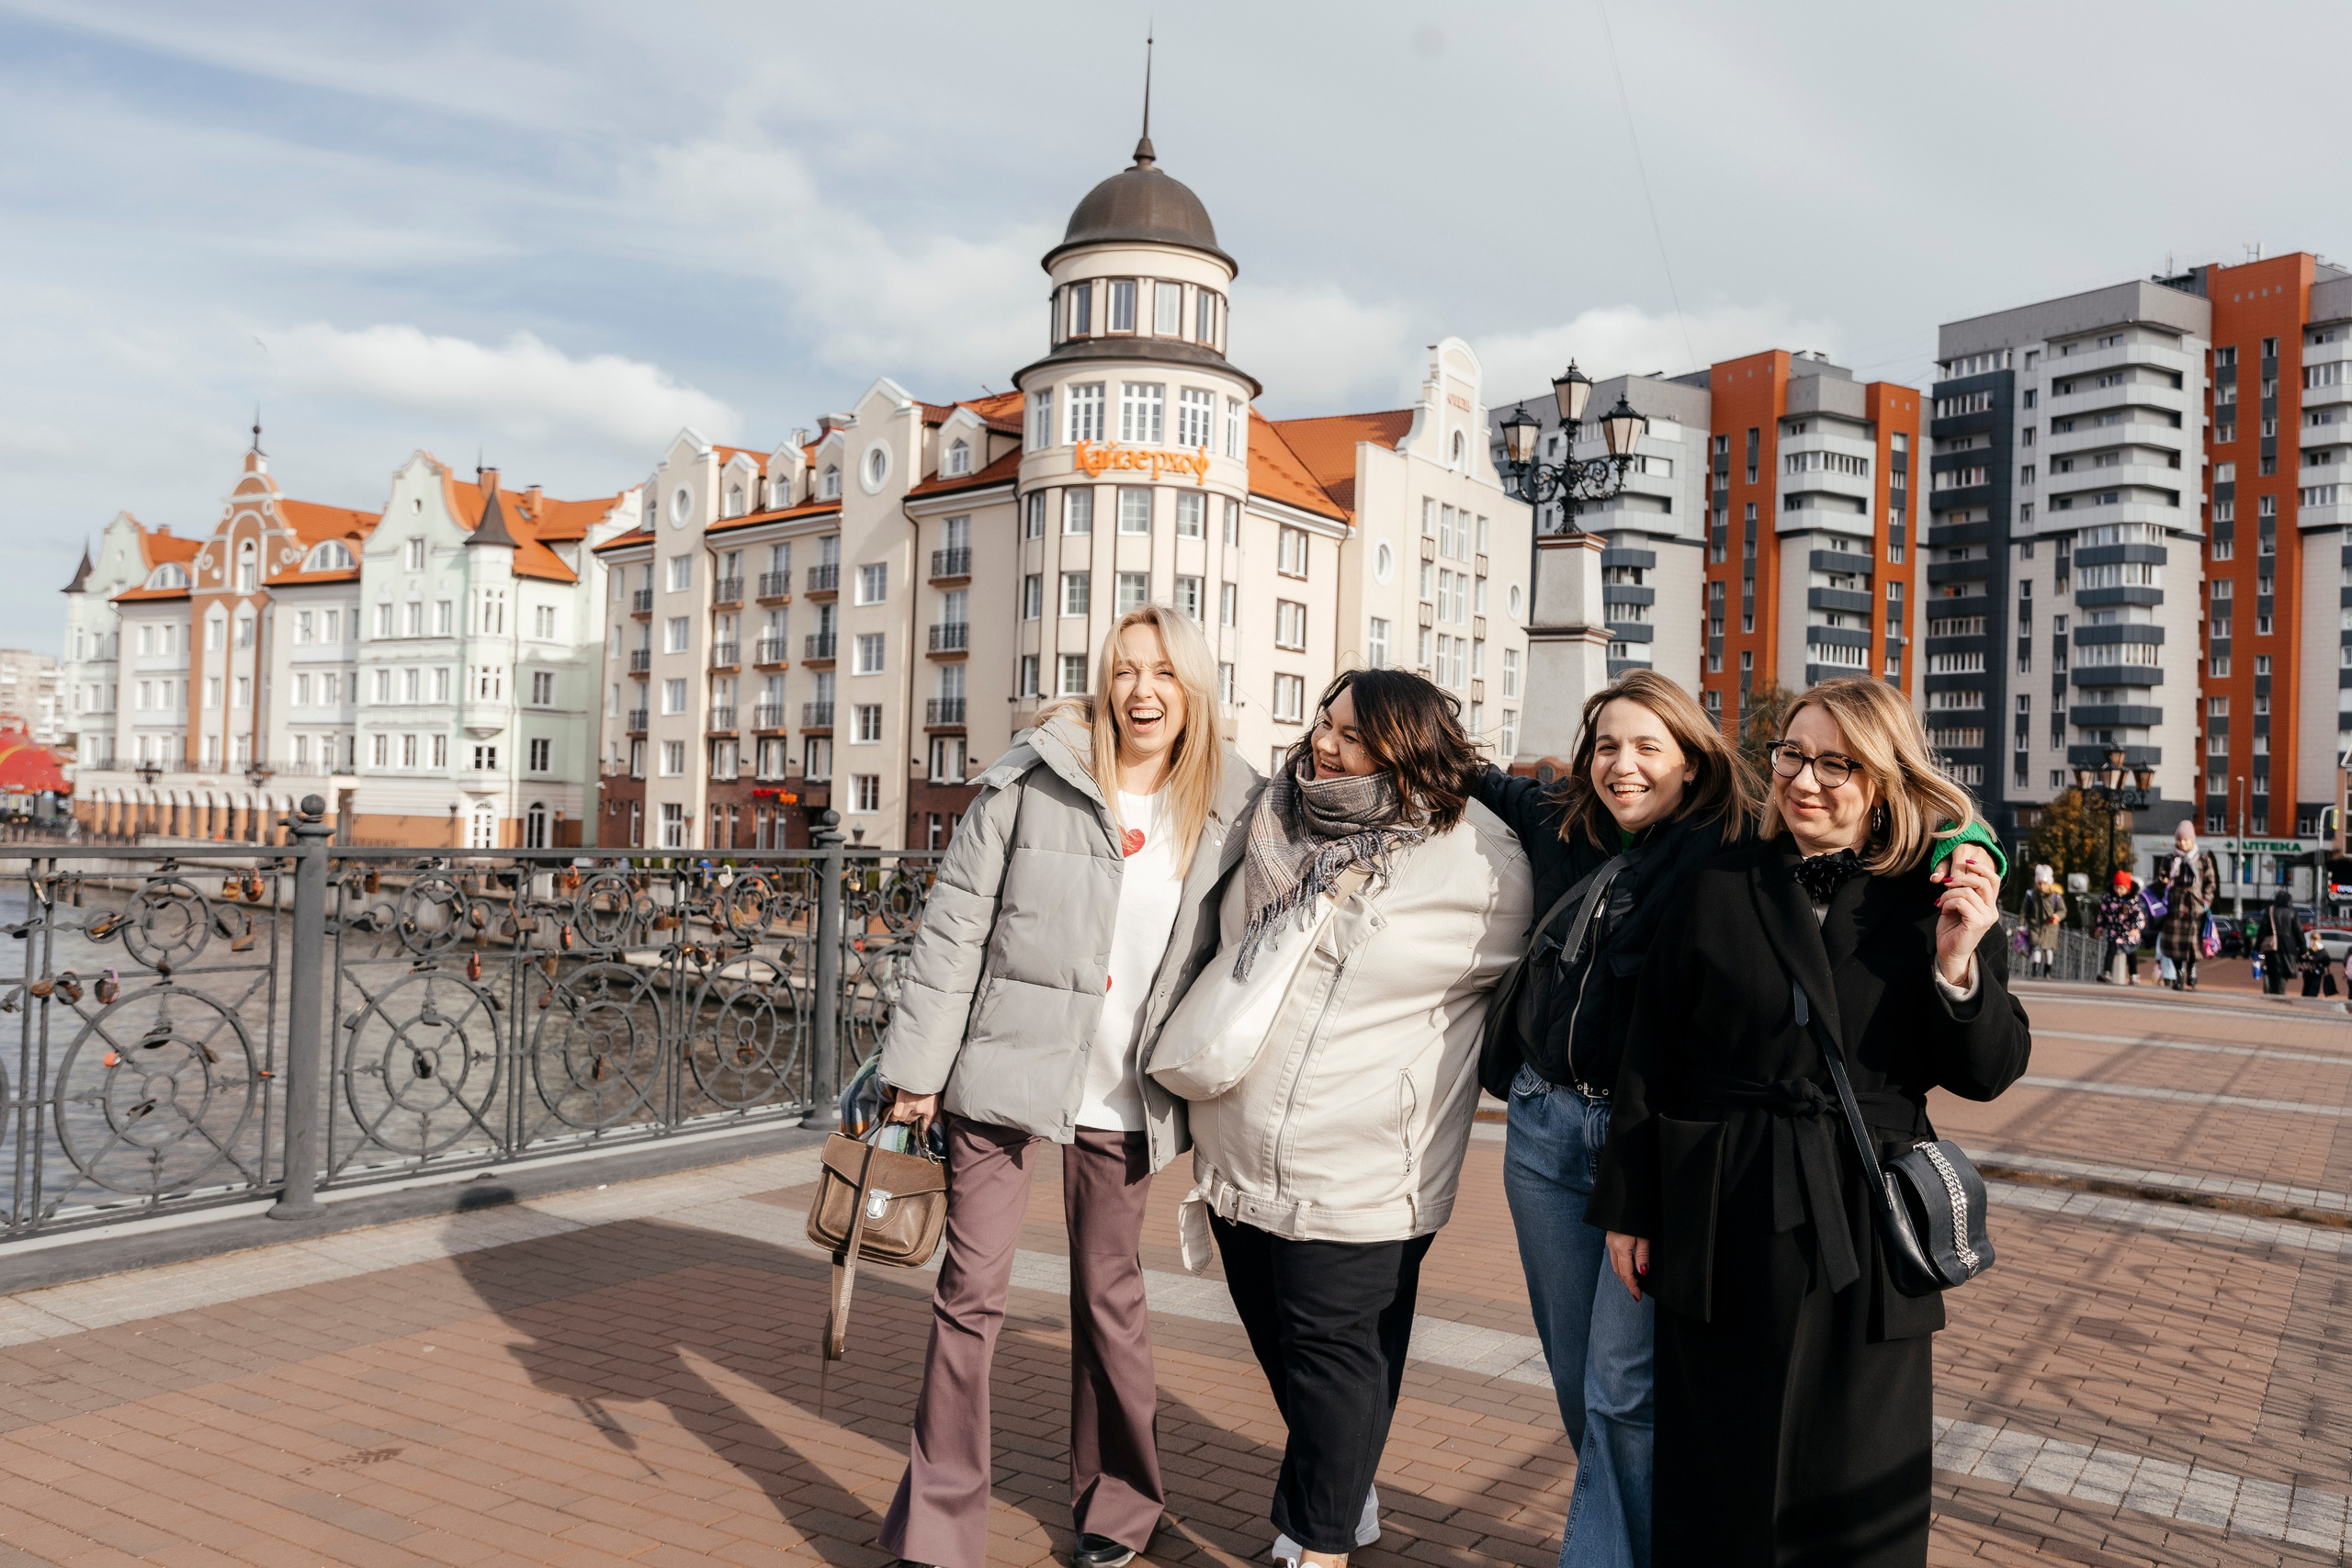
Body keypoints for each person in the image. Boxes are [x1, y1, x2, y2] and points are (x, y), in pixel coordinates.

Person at [1587, 675, 2031, 1567]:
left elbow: (1987, 1071)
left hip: (1863, 1219)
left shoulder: (1928, 897)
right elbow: (1652, 1051)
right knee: (1717, 1469)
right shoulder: (1719, 882)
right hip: (1722, 1207)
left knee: (1853, 1475)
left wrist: (1955, 966)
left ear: (1879, 778)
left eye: (1836, 764)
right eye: (1792, 755)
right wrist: (1629, 1206)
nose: (1804, 781)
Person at [876, 605, 1258, 1568]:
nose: (1141, 692)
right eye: (1126, 671)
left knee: (1109, 1297)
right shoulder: (1031, 777)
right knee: (971, 1294)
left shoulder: (1231, 804)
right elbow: (956, 925)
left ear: (1193, 689)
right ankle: (938, 1525)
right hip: (1001, 1069)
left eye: (1164, 675)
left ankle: (1121, 1506)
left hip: (1127, 1095)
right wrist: (916, 1074)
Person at [1148, 669, 1532, 1568]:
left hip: (1367, 1155)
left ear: (1408, 744)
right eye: (1324, 722)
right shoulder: (1273, 817)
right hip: (1240, 1144)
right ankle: (1341, 1499)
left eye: (1353, 735)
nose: (1325, 745)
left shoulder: (1481, 857)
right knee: (1292, 1349)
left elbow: (1541, 965)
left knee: (1333, 1357)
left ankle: (1313, 1541)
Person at [1466, 671, 1759, 1568]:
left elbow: (1885, 817)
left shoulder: (1726, 857)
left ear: (1691, 760)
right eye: (1606, 745)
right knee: (1574, 1375)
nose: (1621, 766)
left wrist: (1976, 840)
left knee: (1622, 1386)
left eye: (1646, 747)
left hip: (1648, 1151)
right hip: (1543, 1129)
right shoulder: (1565, 825)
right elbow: (1475, 776)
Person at [2154, 822, 2219, 990]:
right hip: (2175, 908)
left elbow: (2210, 884)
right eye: (2179, 840)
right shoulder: (2169, 859)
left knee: (2193, 945)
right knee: (2175, 945)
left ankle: (2191, 972)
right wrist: (2163, 881)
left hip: (2195, 908)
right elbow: (2160, 881)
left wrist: (2206, 902)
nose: (2182, 843)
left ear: (2192, 840)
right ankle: (2178, 975)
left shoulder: (2203, 860)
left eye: (2185, 840)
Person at [2096, 871, 2146, 985]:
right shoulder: (2109, 898)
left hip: (2129, 933)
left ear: (2127, 888)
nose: (2118, 891)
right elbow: (2103, 913)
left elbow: (2140, 916)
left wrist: (2136, 928)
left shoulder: (2133, 900)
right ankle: (2107, 972)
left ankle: (2133, 975)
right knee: (2111, 949)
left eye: (2121, 888)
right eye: (2116, 887)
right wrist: (2100, 927)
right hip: (2114, 931)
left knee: (2132, 954)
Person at [2259, 888, 2306, 998]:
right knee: (2283, 974)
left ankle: (2272, 993)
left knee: (2272, 972)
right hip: (2289, 947)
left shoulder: (2270, 911)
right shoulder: (2292, 913)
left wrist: (2257, 947)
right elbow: (2299, 932)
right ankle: (2280, 994)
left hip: (2272, 947)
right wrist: (2303, 948)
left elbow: (2262, 931)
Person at [2028, 865, 2067, 979]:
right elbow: (2024, 911)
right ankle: (2034, 970)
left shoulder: (2056, 897)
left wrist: (2057, 916)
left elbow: (2062, 910)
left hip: (2050, 927)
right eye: (2039, 884)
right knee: (2036, 948)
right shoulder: (2031, 895)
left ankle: (2047, 971)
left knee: (2048, 949)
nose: (2042, 887)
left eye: (2045, 884)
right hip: (2035, 926)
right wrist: (2021, 924)